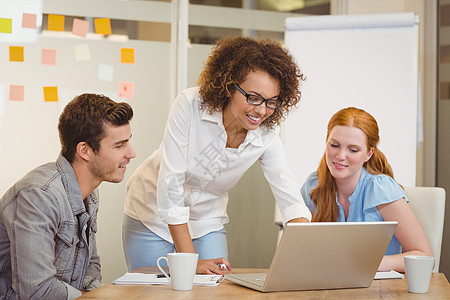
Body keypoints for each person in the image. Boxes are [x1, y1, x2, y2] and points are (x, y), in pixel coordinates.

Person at [123, 36, 311, 275]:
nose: (262, 110)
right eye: (253, 98)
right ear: (230, 87)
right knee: (156, 292)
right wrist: (190, 262)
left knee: (214, 290)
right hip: (151, 216)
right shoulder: (190, 105)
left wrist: (304, 246)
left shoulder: (267, 133)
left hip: (206, 221)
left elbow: (287, 191)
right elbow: (171, 185)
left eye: (272, 102)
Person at [0, 94, 136, 299]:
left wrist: (93, 294)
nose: (131, 153)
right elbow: (36, 291)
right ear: (85, 151)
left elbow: (91, 265)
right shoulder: (38, 196)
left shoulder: (89, 192)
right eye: (119, 145)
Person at [300, 107, 433, 272]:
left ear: (369, 154)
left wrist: (370, 264)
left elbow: (425, 256)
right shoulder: (314, 186)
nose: (340, 156)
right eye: (334, 145)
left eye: (353, 150)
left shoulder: (381, 189)